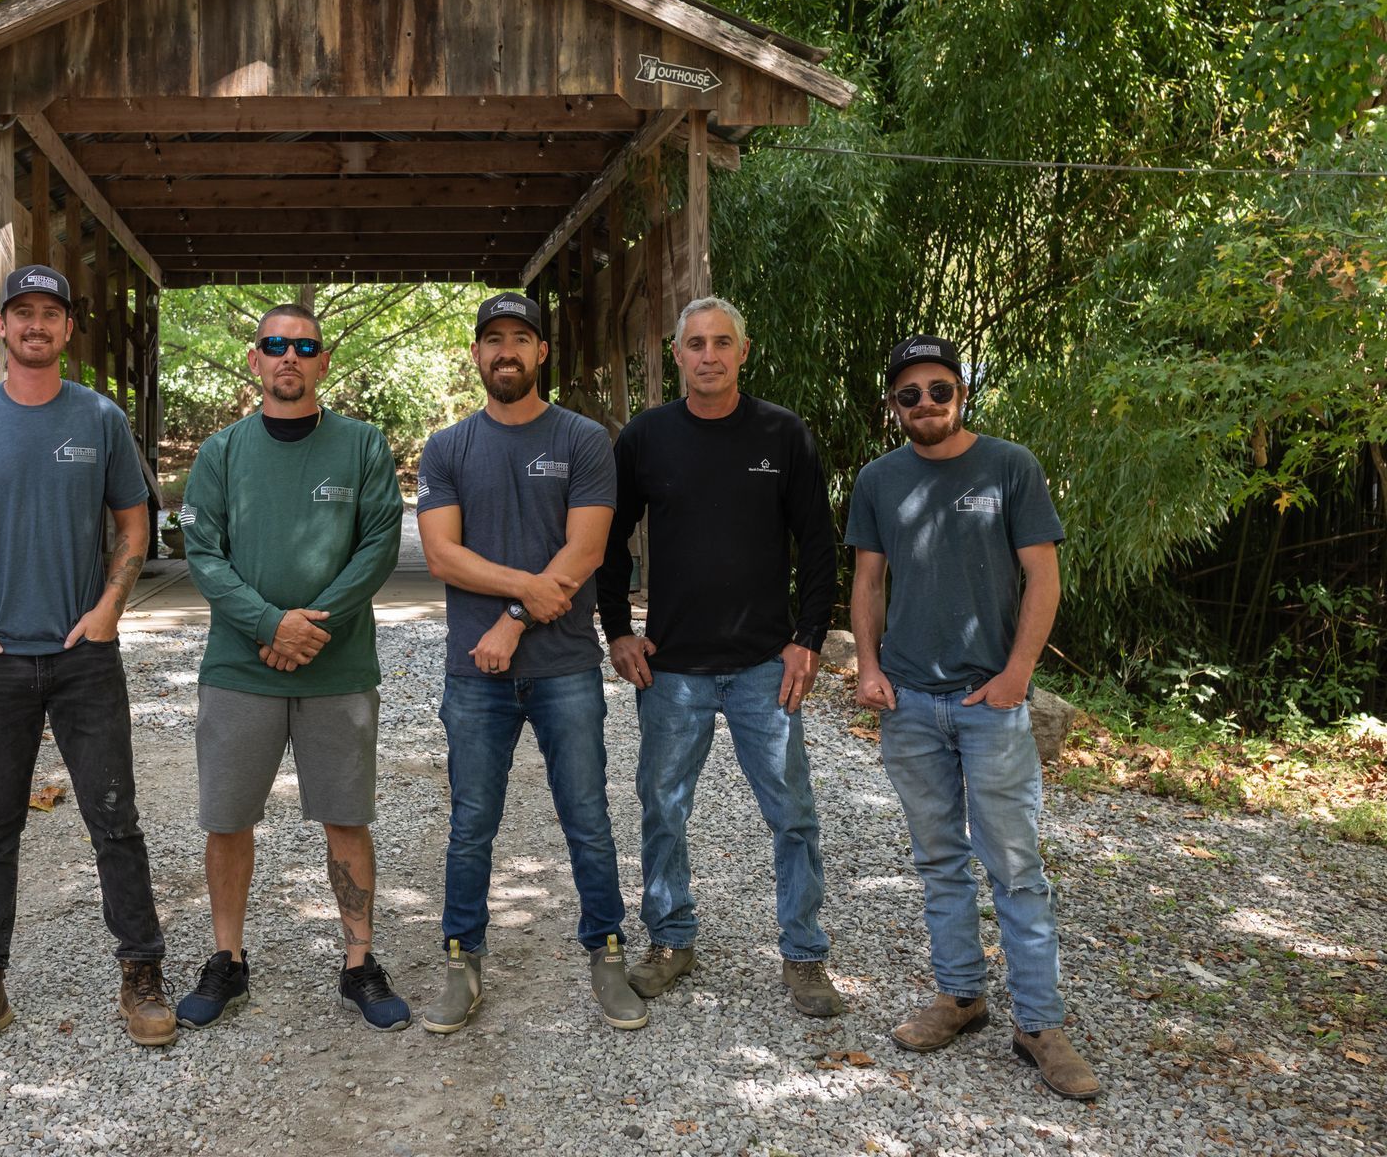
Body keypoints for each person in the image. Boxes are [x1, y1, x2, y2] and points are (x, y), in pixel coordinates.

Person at [0, 264, 174, 1055]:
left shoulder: (100, 419)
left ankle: (142, 973)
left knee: (115, 822)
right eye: (21, 312)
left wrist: (109, 610)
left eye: (50, 314)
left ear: (69, 330)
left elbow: (135, 525)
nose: (35, 325)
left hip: (82, 658)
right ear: (2, 326)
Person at [846, 334, 1100, 1099]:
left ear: (962, 395)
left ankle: (1041, 1025)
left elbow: (1042, 578)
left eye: (940, 390)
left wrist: (1017, 676)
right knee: (937, 862)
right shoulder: (878, 480)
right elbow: (867, 582)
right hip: (910, 706)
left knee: (1016, 867)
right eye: (910, 394)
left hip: (990, 702)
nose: (926, 404)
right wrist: (867, 665)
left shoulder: (1010, 466)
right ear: (893, 406)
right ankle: (960, 996)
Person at [596, 297, 845, 1015]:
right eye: (695, 343)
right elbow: (610, 543)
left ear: (743, 351)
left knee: (793, 812)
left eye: (722, 342)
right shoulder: (646, 437)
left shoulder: (781, 432)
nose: (709, 354)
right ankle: (671, 938)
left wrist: (808, 640)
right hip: (672, 667)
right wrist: (617, 630)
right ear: (676, 354)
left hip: (766, 664)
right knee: (664, 808)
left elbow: (819, 543)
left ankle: (803, 954)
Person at [415, 291, 647, 1034]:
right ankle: (461, 958)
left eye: (521, 338)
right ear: (476, 354)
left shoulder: (582, 440)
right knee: (471, 820)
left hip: (564, 667)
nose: (505, 350)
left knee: (586, 815)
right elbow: (442, 554)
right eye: (493, 340)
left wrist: (512, 620)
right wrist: (526, 589)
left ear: (542, 352)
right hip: (471, 672)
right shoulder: (448, 447)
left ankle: (607, 951)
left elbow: (587, 552)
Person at [174, 304, 408, 1032]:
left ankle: (359, 963)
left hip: (336, 670)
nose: (289, 357)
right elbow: (203, 554)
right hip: (240, 669)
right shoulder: (222, 453)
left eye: (305, 347)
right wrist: (268, 624)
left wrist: (312, 626)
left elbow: (377, 546)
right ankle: (227, 960)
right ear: (255, 360)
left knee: (346, 817)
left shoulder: (363, 446)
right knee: (227, 819)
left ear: (323, 363)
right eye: (275, 345)